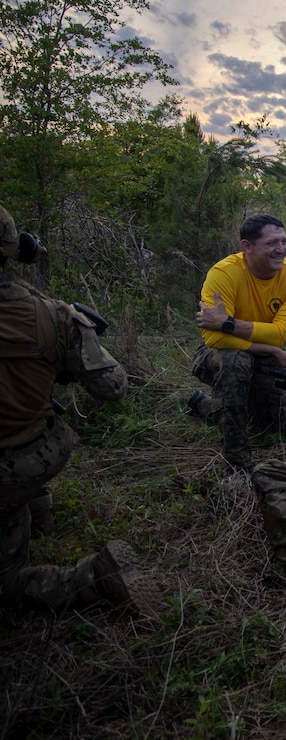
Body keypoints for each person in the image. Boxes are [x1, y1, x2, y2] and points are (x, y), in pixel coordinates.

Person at [0, 204, 153, 615]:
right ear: (19, 248)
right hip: (37, 453)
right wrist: (74, 338)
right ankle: (83, 568)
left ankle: (88, 573)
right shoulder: (54, 315)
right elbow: (113, 386)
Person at [189, 213, 286, 473]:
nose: (281, 250)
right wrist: (270, 347)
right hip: (218, 355)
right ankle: (237, 464)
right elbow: (213, 338)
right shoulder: (224, 273)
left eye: (284, 242)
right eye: (271, 244)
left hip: (264, 355)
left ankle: (203, 405)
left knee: (270, 426)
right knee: (236, 360)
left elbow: (281, 334)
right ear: (247, 246)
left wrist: (228, 323)